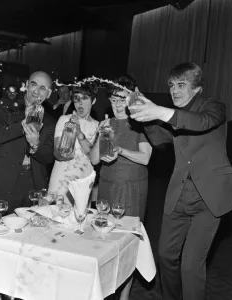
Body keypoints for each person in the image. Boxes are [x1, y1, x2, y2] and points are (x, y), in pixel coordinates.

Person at [129, 62, 232, 300]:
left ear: (197, 88)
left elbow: (201, 122)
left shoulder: (213, 106)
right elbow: (161, 140)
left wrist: (160, 112)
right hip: (179, 194)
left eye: (181, 84)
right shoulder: (174, 116)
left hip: (209, 198)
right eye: (171, 85)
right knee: (165, 255)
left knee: (191, 265)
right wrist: (147, 118)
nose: (174, 90)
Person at [90, 75, 152, 300]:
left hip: (131, 188)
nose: (117, 104)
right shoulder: (106, 124)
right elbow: (95, 160)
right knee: (105, 240)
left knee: (127, 243)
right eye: (114, 99)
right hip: (107, 186)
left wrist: (122, 151)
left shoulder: (140, 123)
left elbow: (146, 158)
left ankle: (124, 296)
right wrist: (99, 134)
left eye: (122, 98)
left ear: (130, 100)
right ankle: (105, 290)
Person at [0, 71, 56, 220]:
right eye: (33, 84)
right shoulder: (4, 106)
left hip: (33, 185)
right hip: (3, 181)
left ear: (48, 93)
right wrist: (24, 123)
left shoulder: (51, 121)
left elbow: (48, 158)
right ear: (26, 86)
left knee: (27, 236)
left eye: (42, 88)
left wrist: (35, 144)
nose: (36, 91)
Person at [48, 83, 99, 203]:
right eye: (77, 99)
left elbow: (94, 159)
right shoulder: (65, 119)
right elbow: (57, 154)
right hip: (61, 181)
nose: (80, 103)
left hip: (83, 183)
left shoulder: (98, 126)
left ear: (94, 100)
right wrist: (69, 135)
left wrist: (80, 134)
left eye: (85, 98)